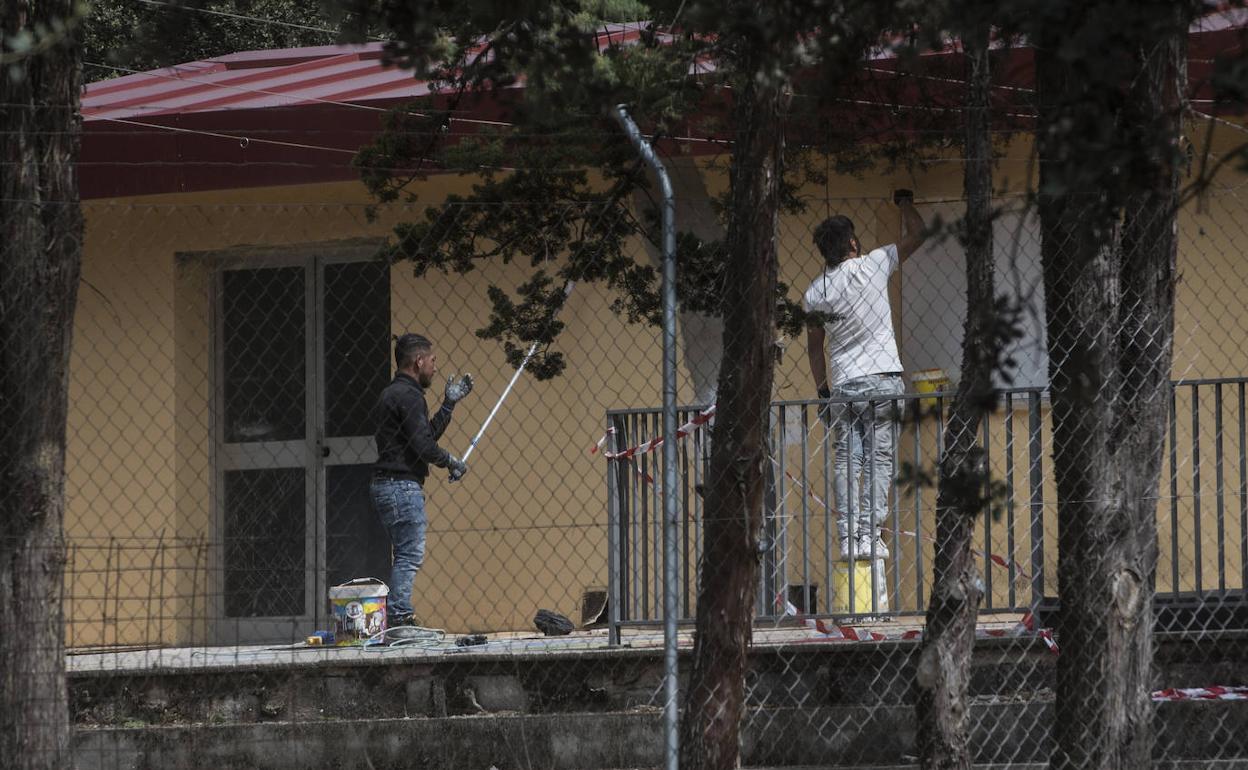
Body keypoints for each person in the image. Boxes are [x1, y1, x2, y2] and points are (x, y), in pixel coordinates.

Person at [804, 191, 929, 561]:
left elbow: (815, 348)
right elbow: (919, 234)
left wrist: (823, 390)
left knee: (847, 459)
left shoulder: (815, 293)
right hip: (883, 377)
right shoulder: (874, 263)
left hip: (844, 384)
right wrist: (906, 203)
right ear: (853, 243)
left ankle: (848, 538)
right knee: (879, 458)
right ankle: (871, 535)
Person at [371, 333, 474, 627]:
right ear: (418, 361)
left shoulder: (393, 393)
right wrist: (452, 462)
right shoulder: (409, 396)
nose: (435, 367)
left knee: (404, 552)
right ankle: (400, 617)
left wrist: (448, 405)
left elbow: (422, 437)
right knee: (409, 553)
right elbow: (424, 447)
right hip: (401, 486)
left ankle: (398, 614)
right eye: (432, 360)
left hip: (387, 485)